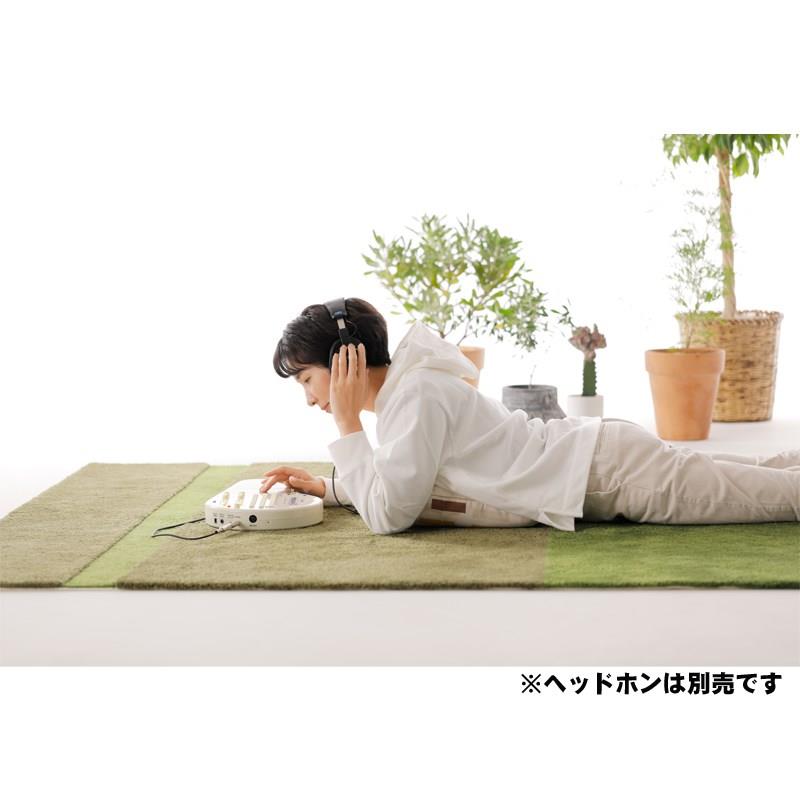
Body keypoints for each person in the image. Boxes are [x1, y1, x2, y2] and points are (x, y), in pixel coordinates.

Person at [267, 298, 800, 534]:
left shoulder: (415, 398)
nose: (310, 398)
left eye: (307, 379)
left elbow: (389, 516)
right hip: (601, 459)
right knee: (768, 471)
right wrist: (329, 488)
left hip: (609, 473)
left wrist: (347, 425)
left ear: (344, 359)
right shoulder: (411, 391)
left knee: (777, 496)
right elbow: (403, 479)